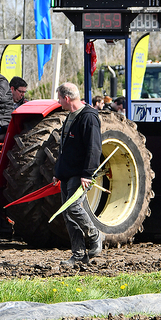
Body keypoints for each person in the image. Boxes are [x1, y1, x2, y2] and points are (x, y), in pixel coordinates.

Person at [52, 82, 104, 267]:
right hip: (66, 173)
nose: (58, 102)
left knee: (73, 207)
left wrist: (88, 174)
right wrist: (58, 172)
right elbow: (64, 148)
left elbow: (93, 148)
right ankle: (79, 255)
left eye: (59, 98)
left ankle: (95, 234)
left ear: (67, 98)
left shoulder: (88, 118)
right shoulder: (70, 117)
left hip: (80, 174)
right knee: (68, 214)